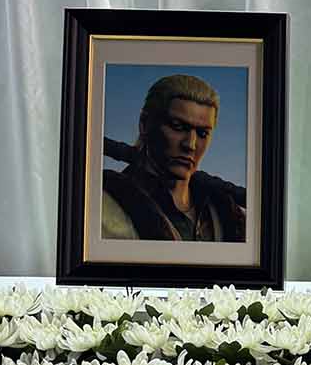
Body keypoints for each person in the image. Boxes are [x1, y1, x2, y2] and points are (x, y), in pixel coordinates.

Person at [101, 73, 245, 242]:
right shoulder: (107, 206)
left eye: (202, 133)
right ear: (144, 124)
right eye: (178, 127)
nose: (190, 145)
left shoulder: (225, 211)